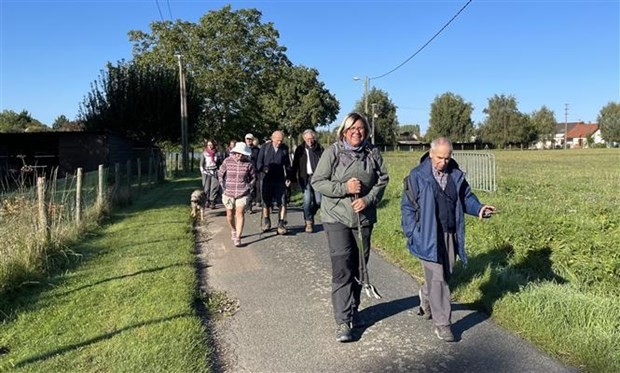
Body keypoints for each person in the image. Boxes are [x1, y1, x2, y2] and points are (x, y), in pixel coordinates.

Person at [400, 137, 496, 342]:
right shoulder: (417, 176)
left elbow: (466, 198)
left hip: (450, 232)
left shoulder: (456, 174)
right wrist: (412, 232)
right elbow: (407, 207)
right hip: (426, 235)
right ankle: (443, 324)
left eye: (447, 158)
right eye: (439, 158)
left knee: (446, 273)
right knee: (438, 279)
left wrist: (479, 208)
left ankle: (425, 296)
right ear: (431, 153)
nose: (443, 162)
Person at [311, 112, 389, 342]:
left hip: (362, 218)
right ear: (344, 131)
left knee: (359, 266)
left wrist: (368, 199)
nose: (356, 132)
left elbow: (383, 180)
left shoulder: (372, 153)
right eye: (351, 128)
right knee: (343, 265)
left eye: (361, 128)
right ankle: (343, 321)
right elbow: (318, 181)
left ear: (366, 131)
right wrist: (344, 188)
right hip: (336, 216)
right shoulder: (333, 152)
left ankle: (354, 310)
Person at [218, 142, 256, 247]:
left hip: (242, 192)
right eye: (238, 153)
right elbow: (220, 173)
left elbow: (253, 177)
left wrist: (249, 187)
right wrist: (223, 185)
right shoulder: (227, 161)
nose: (239, 155)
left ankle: (238, 237)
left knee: (240, 213)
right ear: (234, 152)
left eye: (242, 154)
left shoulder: (248, 164)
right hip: (228, 192)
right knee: (229, 213)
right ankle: (233, 230)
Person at [256, 130, 291, 235]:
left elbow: (288, 165)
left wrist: (289, 177)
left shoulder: (284, 149)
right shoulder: (265, 148)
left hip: (280, 179)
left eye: (281, 140)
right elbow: (258, 163)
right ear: (272, 138)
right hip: (267, 179)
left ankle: (281, 224)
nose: (279, 142)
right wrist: (263, 169)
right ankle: (266, 220)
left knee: (283, 201)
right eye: (278, 140)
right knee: (266, 201)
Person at [291, 129, 324, 233]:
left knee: (319, 201)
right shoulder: (300, 149)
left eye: (311, 138)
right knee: (307, 200)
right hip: (305, 178)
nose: (310, 141)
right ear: (304, 139)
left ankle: (311, 214)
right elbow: (295, 165)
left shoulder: (319, 148)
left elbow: (325, 162)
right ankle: (308, 222)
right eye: (307, 139)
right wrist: (292, 179)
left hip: (317, 178)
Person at [199, 139, 220, 209]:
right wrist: (203, 172)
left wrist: (219, 170)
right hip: (206, 172)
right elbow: (201, 164)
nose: (210, 146)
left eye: (211, 145)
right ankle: (206, 200)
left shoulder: (217, 153)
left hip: (215, 171)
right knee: (206, 188)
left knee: (214, 187)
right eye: (208, 145)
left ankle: (212, 202)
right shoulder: (204, 153)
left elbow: (219, 163)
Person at [244, 133, 261, 212]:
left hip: (255, 171)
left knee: (257, 187)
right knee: (249, 189)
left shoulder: (256, 149)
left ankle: (258, 200)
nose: (249, 140)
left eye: (250, 139)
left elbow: (259, 160)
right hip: (246, 172)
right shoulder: (243, 149)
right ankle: (248, 206)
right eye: (247, 139)